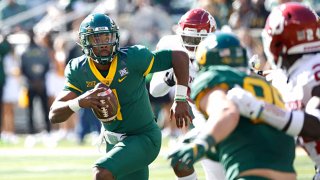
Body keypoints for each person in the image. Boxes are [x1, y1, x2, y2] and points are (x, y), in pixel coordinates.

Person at [48, 13, 191, 180]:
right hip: (114, 141)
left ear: (115, 37)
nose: (104, 44)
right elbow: (54, 114)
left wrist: (180, 98)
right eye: (97, 39)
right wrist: (79, 102)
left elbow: (180, 57)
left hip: (143, 137)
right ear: (85, 42)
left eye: (107, 37)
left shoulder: (133, 58)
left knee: (101, 173)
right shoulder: (79, 69)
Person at [168, 32, 297, 180]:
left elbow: (228, 112)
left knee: (181, 155)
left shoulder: (213, 78)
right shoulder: (263, 83)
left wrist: (201, 144)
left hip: (249, 172)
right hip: (286, 172)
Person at [226, 2, 320, 179]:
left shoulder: (311, 74)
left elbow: (317, 124)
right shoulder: (300, 72)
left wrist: (260, 109)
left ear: (277, 42)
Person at [149, 8, 226, 180]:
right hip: (201, 121)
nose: (192, 45)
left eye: (197, 40)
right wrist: (171, 78)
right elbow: (155, 90)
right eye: (188, 39)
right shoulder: (172, 45)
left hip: (224, 120)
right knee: (180, 159)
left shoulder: (222, 50)